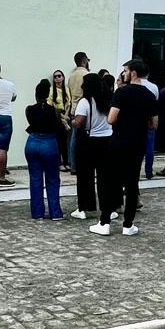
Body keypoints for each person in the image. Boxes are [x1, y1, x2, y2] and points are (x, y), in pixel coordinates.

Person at [91, 60, 157, 237]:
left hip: (119, 141)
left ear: (133, 73)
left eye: (126, 70)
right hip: (138, 143)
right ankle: (128, 224)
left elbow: (111, 119)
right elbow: (154, 124)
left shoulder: (121, 92)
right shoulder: (150, 95)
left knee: (111, 181)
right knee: (132, 182)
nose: (124, 73)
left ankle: (104, 222)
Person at [69, 73, 111, 221]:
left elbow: (79, 122)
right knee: (104, 177)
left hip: (89, 141)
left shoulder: (85, 102)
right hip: (107, 140)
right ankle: (108, 207)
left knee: (85, 175)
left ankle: (85, 207)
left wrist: (71, 122)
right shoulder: (107, 100)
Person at [24, 79, 64, 221]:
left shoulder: (29, 110)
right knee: (52, 178)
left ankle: (37, 212)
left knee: (35, 179)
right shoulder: (53, 111)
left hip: (32, 142)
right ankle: (55, 212)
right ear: (48, 94)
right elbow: (58, 127)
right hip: (49, 143)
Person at [48, 69, 71, 171]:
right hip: (56, 116)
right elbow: (51, 104)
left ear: (63, 77)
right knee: (57, 141)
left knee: (64, 141)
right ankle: (59, 163)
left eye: (59, 76)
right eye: (55, 77)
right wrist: (61, 116)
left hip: (65, 116)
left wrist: (66, 116)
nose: (57, 78)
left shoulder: (66, 89)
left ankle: (66, 162)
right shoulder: (51, 89)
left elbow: (69, 103)